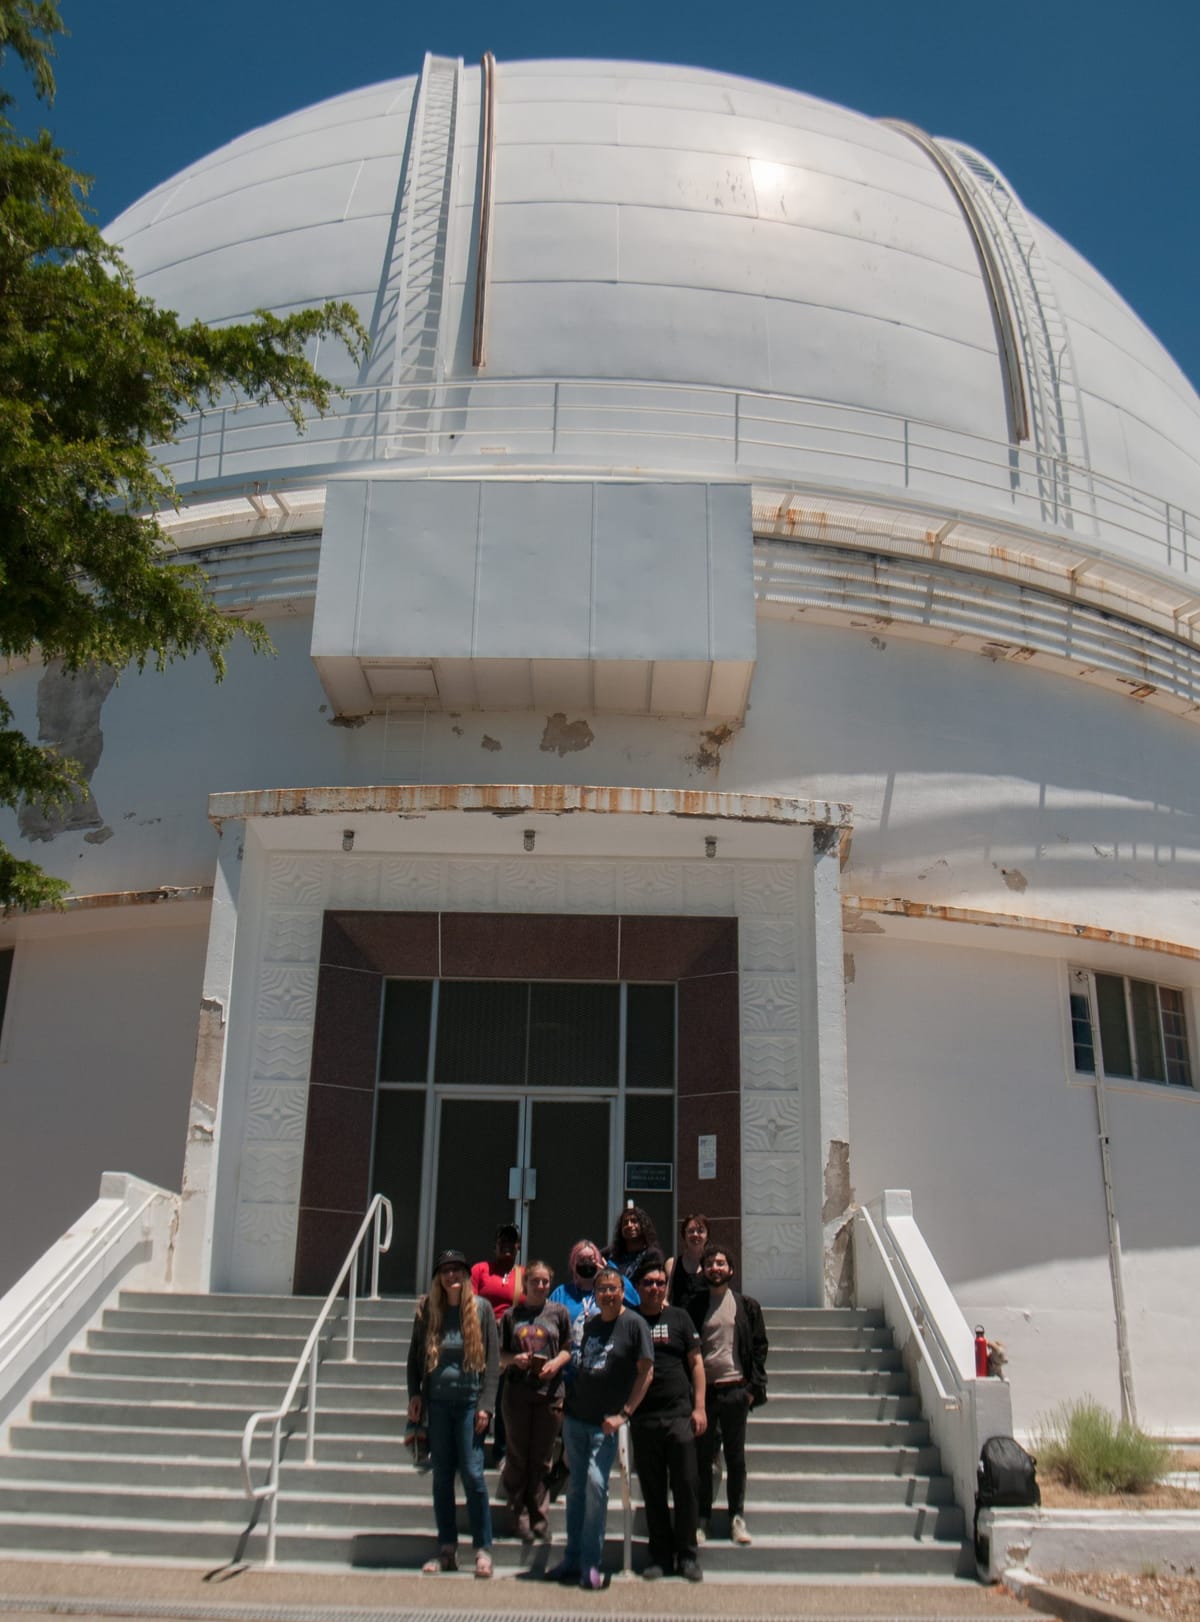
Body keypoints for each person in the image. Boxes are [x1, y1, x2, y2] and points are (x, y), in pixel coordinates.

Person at [549, 1265, 653, 1591]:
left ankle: (591, 1562)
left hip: (604, 1427)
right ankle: (572, 1557)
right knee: (577, 1490)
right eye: (602, 1289)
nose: (607, 1294)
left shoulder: (634, 1325)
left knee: (596, 1487)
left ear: (623, 1292)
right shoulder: (590, 1324)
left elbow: (646, 1372)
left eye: (613, 1288)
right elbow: (579, 1363)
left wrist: (625, 1413)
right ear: (595, 1294)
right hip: (576, 1418)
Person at [406, 1249, 499, 1577]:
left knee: (473, 1475)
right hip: (438, 1404)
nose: (452, 1276)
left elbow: (492, 1365)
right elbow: (414, 1358)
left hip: (469, 1405)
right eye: (445, 1271)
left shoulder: (482, 1310)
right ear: (438, 1277)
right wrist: (415, 1394)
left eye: (458, 1270)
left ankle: (482, 1549)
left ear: (466, 1274)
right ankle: (447, 1548)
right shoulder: (429, 1310)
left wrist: (487, 1406)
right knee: (442, 1476)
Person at [630, 1250, 706, 1582]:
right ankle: (660, 1555)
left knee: (687, 1486)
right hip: (645, 1418)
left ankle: (688, 1555)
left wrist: (700, 1406)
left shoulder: (679, 1318)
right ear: (637, 1285)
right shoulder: (629, 1321)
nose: (655, 1287)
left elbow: (697, 1364)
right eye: (648, 1282)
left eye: (661, 1282)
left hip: (679, 1416)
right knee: (653, 1489)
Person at [687, 1243, 768, 1547]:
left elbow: (759, 1348)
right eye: (710, 1264)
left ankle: (737, 1517)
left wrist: (752, 1390)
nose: (715, 1268)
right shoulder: (694, 1307)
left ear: (730, 1270)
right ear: (703, 1270)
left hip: (736, 1391)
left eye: (721, 1263)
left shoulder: (747, 1306)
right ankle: (702, 1518)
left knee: (735, 1459)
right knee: (703, 1459)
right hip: (705, 1395)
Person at [499, 1259, 571, 1543]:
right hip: (517, 1394)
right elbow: (500, 1355)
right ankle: (518, 1515)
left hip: (550, 1394)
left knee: (542, 1459)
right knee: (517, 1455)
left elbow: (568, 1348)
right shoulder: (511, 1316)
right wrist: (513, 1359)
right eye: (535, 1281)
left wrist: (556, 1364)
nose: (540, 1286)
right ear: (525, 1283)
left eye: (545, 1281)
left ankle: (540, 1516)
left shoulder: (559, 1313)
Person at [471, 1223, 524, 1464]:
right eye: (502, 1240)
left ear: (518, 1247)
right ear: (495, 1245)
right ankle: (475, 1450)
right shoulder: (481, 1270)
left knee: (505, 1399)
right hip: (482, 1340)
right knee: (481, 1395)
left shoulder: (523, 1275)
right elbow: (469, 1303)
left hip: (509, 1344)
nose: (507, 1245)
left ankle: (502, 1452)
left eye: (511, 1241)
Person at [550, 1237, 638, 1332]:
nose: (587, 1263)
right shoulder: (561, 1293)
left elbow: (635, 1302)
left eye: (591, 1259)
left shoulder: (608, 1292)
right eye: (582, 1260)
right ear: (573, 1264)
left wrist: (612, 1273)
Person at [665, 1213, 710, 1311]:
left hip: (706, 1323)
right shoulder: (672, 1264)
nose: (695, 1234)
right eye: (691, 1231)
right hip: (678, 1323)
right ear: (684, 1235)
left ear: (707, 1236)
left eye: (700, 1231)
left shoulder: (712, 1265)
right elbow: (665, 1297)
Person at [606, 1204, 659, 1281]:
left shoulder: (652, 1255)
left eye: (634, 1221)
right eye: (625, 1222)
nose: (629, 1225)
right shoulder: (612, 1254)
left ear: (642, 1225)